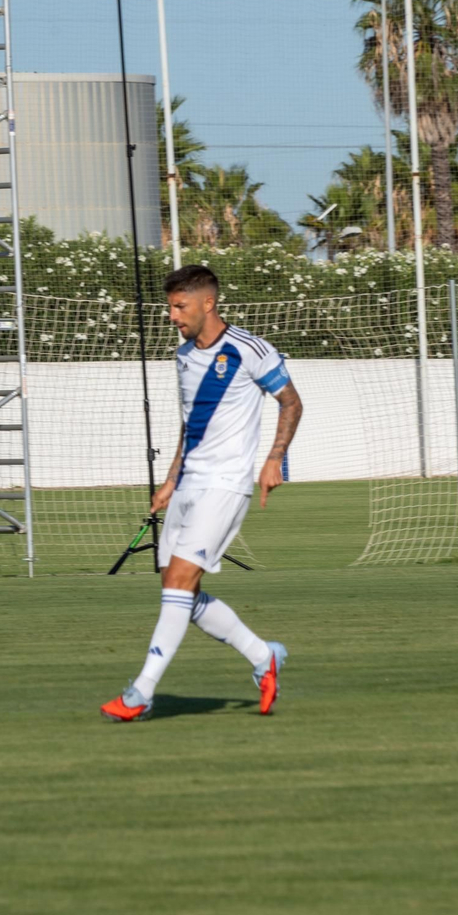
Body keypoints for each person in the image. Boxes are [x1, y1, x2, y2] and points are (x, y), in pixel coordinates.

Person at [101, 264, 303, 723]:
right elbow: (190, 423)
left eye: (180, 306)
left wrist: (274, 458)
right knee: (180, 593)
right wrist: (171, 479)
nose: (173, 316)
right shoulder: (183, 355)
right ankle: (261, 655)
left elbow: (291, 402)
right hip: (189, 484)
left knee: (178, 584)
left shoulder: (249, 349)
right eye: (170, 307)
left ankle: (141, 692)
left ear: (208, 303)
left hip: (225, 485)